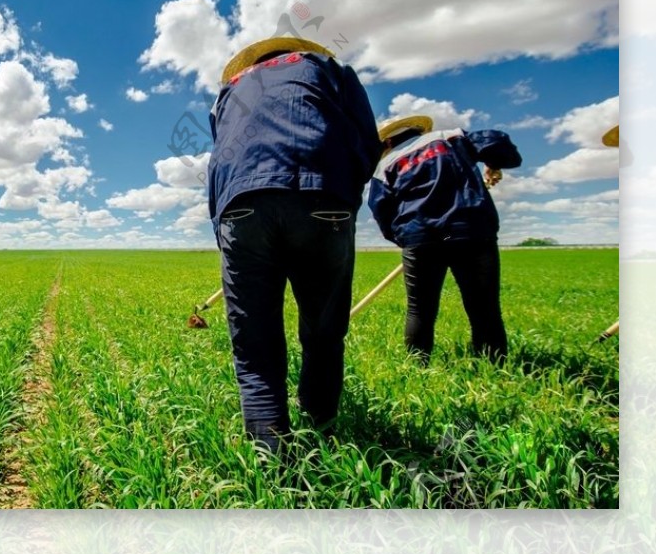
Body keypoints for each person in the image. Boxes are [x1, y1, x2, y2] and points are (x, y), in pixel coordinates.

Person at [207, 35, 381, 451]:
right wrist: (339, 201)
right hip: (324, 197)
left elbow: (220, 156)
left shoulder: (230, 92)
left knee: (254, 342)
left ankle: (271, 460)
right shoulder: (328, 70)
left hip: (241, 204)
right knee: (323, 332)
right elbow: (367, 143)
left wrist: (227, 231)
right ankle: (323, 429)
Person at [367, 116, 522, 365]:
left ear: (386, 141)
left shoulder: (386, 165)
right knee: (484, 308)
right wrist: (494, 163)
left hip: (421, 238)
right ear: (417, 129)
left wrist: (407, 239)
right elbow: (495, 140)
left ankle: (418, 367)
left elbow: (381, 210)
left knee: (420, 310)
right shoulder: (450, 137)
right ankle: (495, 367)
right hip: (471, 230)